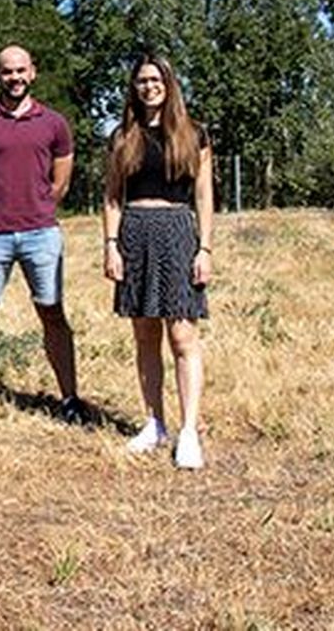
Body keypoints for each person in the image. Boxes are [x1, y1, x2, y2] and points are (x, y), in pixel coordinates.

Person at [0, 45, 90, 432]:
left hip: (42, 232)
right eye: (7, 71)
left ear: (33, 72)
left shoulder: (54, 124)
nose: (15, 78)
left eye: (21, 70)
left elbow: (61, 182)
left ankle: (70, 399)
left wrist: (37, 208)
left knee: (53, 313)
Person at [102, 54, 213, 469]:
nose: (149, 86)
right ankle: (154, 423)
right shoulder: (121, 136)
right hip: (135, 233)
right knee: (145, 336)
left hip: (178, 234)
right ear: (133, 87)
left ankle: (188, 431)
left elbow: (204, 197)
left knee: (183, 337)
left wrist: (205, 249)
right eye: (142, 80)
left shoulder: (194, 135)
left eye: (156, 79)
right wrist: (111, 244)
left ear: (169, 84)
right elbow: (113, 196)